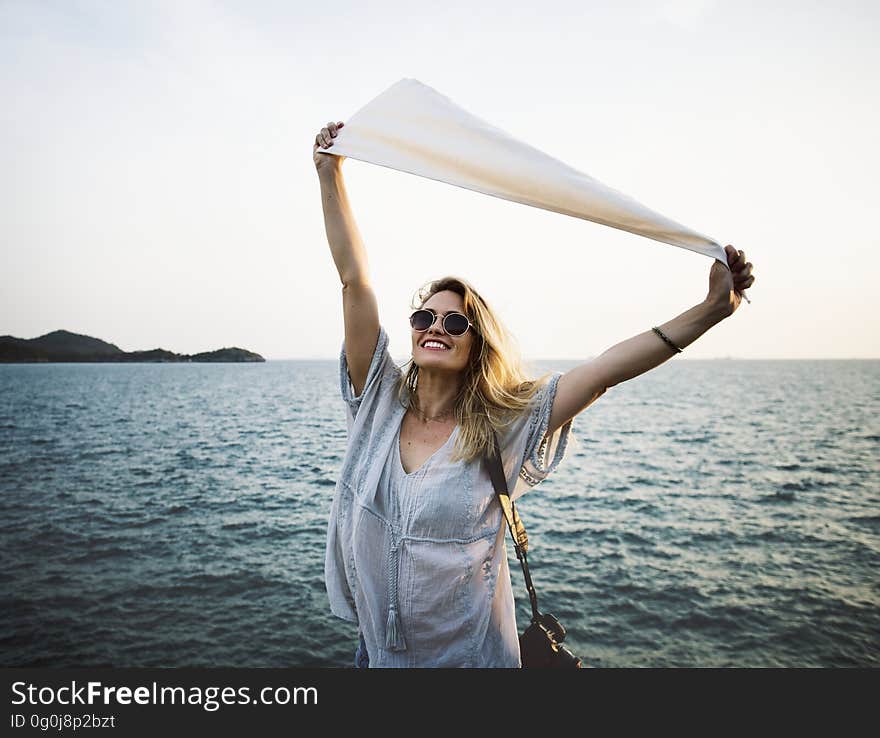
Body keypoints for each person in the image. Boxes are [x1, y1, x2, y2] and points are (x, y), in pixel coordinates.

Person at [313, 119, 755, 668]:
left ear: (477, 345)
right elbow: (355, 280)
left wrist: (711, 311)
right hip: (377, 661)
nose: (436, 327)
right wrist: (330, 171)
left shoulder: (504, 427)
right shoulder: (375, 402)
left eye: (456, 323)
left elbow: (602, 372)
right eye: (426, 316)